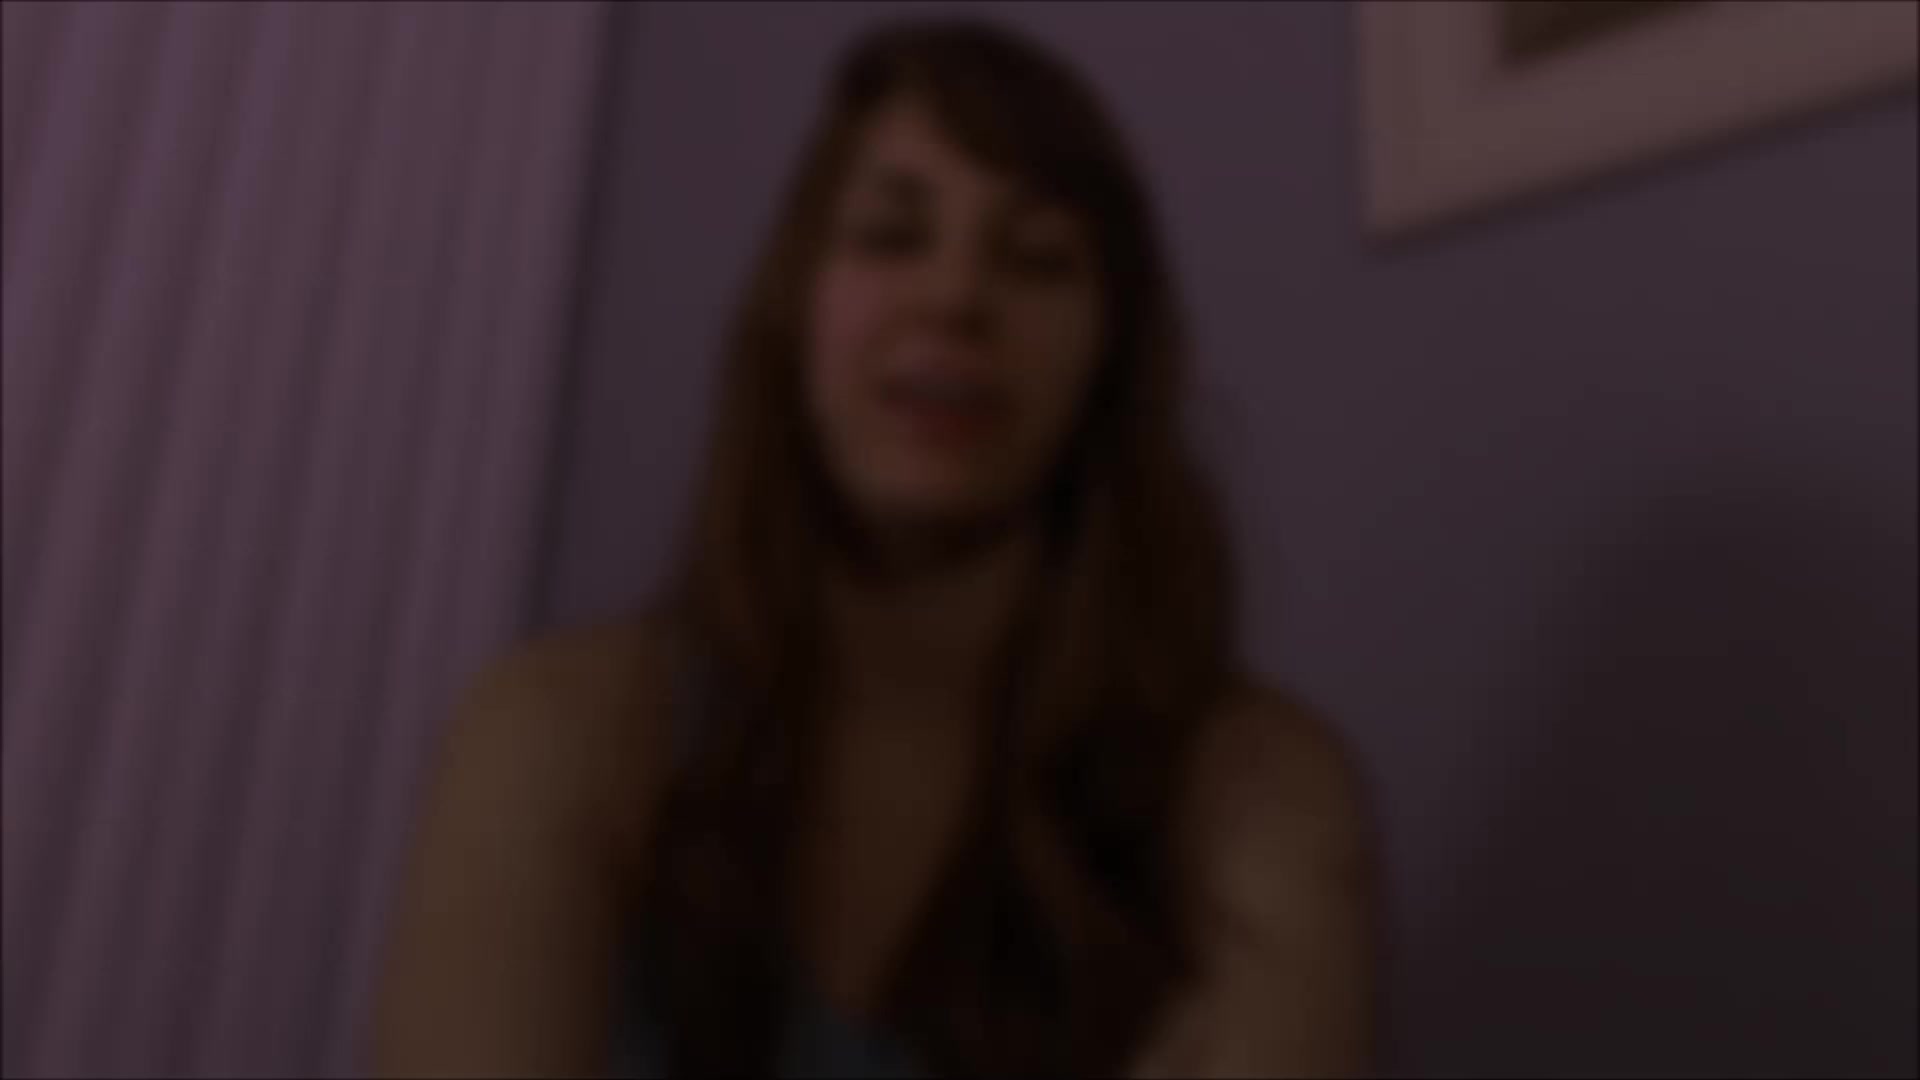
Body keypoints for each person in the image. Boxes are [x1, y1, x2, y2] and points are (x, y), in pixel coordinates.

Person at [372, 16, 1376, 1079]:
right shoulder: (563, 735)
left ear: (1109, 362)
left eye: (1038, 259)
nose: (956, 297)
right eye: (893, 236)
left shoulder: (1259, 797)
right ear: (797, 308)